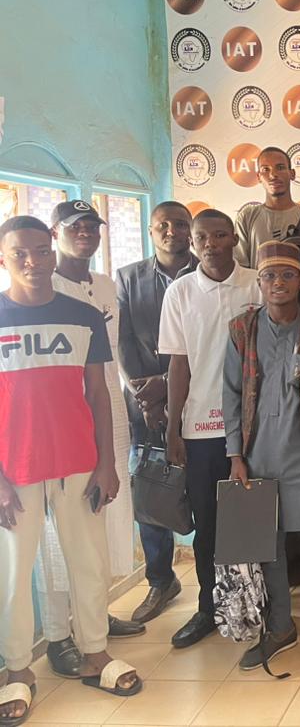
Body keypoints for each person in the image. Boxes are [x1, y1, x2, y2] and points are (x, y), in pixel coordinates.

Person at [0, 216, 142, 726]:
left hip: (79, 463)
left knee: (88, 564)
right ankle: (18, 668)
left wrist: (107, 463)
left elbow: (98, 393)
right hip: (15, 471)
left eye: (41, 251)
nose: (33, 262)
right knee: (13, 575)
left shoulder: (83, 315)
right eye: (20, 253)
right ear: (3, 258)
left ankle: (95, 653)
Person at [223, 241, 300, 670]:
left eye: (288, 275)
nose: (278, 283)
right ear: (258, 282)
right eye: (269, 276)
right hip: (258, 460)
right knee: (267, 547)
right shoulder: (242, 329)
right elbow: (231, 394)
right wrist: (235, 455)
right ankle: (280, 627)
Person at [45, 200, 144, 676]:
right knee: (57, 536)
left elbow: (113, 353)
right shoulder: (44, 289)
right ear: (55, 233)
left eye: (92, 226)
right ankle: (58, 635)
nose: (85, 233)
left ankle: (93, 620)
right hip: (64, 421)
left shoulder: (105, 285)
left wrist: (132, 391)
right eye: (75, 227)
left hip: (109, 414)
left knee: (101, 521)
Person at [159, 209, 262, 649]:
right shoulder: (181, 292)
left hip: (254, 428)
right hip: (201, 429)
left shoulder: (257, 284)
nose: (211, 244)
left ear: (234, 239)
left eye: (220, 236)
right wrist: (173, 428)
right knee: (208, 526)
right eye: (203, 237)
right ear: (193, 242)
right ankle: (208, 608)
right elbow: (178, 364)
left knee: (253, 521)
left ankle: (257, 607)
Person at [116, 201, 197, 624]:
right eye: (162, 225)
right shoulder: (128, 278)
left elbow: (214, 341)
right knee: (150, 495)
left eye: (180, 224)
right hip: (146, 408)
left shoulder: (210, 271)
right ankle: (161, 580)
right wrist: (147, 398)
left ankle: (217, 583)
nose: (171, 231)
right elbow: (123, 343)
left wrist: (169, 384)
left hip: (201, 400)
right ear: (150, 231)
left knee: (206, 494)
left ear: (190, 230)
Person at [234, 147, 300, 302]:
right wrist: (266, 282)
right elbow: (239, 269)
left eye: (280, 167)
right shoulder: (247, 217)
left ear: (292, 173)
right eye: (265, 169)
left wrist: (299, 279)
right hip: (258, 305)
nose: (273, 175)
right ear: (258, 177)